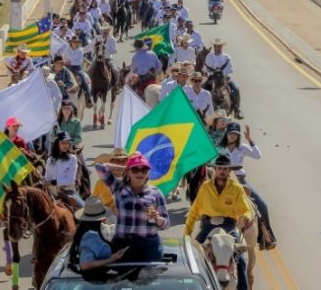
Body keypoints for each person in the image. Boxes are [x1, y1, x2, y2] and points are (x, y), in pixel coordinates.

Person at [184, 154, 251, 290]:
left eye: (225, 169)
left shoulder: (236, 188)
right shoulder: (205, 187)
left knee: (241, 260)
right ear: (215, 169)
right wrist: (187, 233)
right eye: (219, 168)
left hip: (229, 227)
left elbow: (246, 209)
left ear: (229, 171)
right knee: (193, 256)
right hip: (208, 226)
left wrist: (246, 216)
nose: (222, 171)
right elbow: (194, 211)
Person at [95, 153, 170, 262]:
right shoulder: (118, 187)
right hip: (123, 246)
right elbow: (99, 166)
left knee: (149, 278)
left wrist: (158, 220)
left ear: (148, 173)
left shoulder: (156, 193)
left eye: (144, 170)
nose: (140, 173)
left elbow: (167, 223)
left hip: (149, 248)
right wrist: (125, 167)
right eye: (135, 170)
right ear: (128, 172)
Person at [218, 122, 276, 249]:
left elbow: (258, 155)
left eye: (235, 134)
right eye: (230, 133)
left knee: (262, 204)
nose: (232, 136)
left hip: (240, 181)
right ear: (226, 133)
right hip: (223, 182)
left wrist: (250, 140)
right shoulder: (219, 148)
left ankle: (266, 237)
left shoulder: (242, 148)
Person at [69, 197, 128, 274]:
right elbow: (85, 265)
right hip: (96, 279)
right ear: (101, 218)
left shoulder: (90, 231)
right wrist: (112, 259)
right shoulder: (91, 235)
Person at [203, 38, 244, 119]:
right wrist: (213, 73)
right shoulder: (209, 56)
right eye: (216, 46)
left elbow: (230, 68)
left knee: (236, 89)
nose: (217, 48)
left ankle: (237, 109)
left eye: (219, 46)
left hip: (224, 78)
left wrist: (221, 74)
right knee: (202, 88)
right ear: (214, 46)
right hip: (212, 77)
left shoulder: (226, 57)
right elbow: (205, 68)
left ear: (222, 46)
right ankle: (202, 109)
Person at [45, 132, 84, 208]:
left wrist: (52, 182)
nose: (66, 145)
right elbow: (47, 178)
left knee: (84, 209)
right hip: (53, 194)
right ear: (57, 144)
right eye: (63, 143)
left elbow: (70, 180)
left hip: (69, 193)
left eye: (67, 143)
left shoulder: (72, 158)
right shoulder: (50, 160)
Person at [92, 148, 129, 213]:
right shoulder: (100, 183)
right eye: (117, 161)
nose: (120, 164)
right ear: (111, 162)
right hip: (106, 218)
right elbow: (93, 201)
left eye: (123, 161)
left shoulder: (133, 181)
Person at [64, 36, 93, 107]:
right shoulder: (67, 49)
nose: (75, 43)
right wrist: (65, 61)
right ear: (71, 42)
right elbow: (63, 57)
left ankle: (88, 97)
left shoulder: (80, 50)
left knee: (83, 77)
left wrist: (70, 61)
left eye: (76, 42)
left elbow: (80, 61)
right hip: (68, 66)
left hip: (77, 67)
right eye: (74, 42)